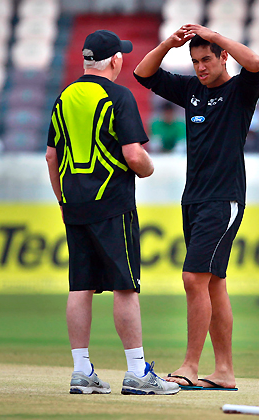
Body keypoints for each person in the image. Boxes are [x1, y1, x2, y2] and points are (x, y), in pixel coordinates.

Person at [45, 29, 180, 396]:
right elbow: (135, 156)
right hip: (112, 203)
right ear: (116, 61)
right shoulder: (119, 95)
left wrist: (61, 200)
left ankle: (81, 371)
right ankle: (137, 371)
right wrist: (151, 168)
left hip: (73, 205)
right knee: (125, 285)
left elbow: (51, 157)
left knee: (80, 286)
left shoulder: (64, 96)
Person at [134, 24, 259, 391]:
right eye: (195, 61)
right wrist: (167, 44)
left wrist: (215, 35)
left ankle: (190, 366)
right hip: (193, 199)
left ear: (223, 56)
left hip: (223, 200)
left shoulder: (240, 89)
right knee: (214, 285)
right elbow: (143, 73)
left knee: (193, 279)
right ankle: (224, 372)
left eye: (207, 59)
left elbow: (254, 62)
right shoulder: (192, 89)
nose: (200, 67)